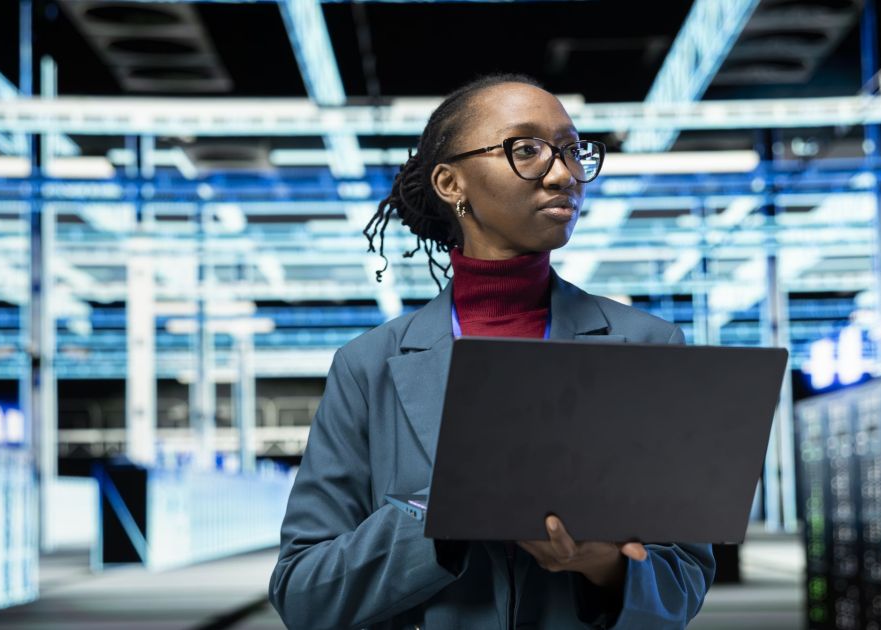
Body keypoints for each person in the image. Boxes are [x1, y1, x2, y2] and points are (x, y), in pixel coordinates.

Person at [268, 73, 715, 629]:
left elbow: (685, 582)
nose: (564, 173)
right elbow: (304, 593)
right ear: (451, 183)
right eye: (526, 149)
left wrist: (601, 566)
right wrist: (452, 504)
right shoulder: (367, 368)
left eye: (574, 151)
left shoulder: (650, 348)